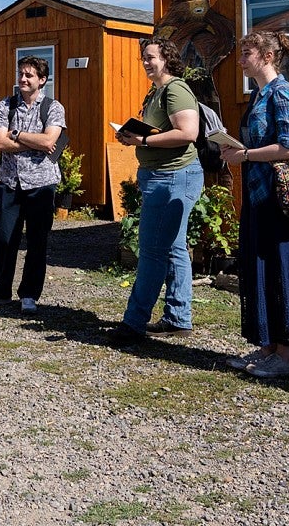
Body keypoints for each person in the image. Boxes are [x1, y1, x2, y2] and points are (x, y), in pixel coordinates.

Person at [221, 30, 289, 378]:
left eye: (247, 52)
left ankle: (287, 357)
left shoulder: (284, 93)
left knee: (279, 269)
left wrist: (244, 155)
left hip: (280, 199)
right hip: (258, 195)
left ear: (267, 56)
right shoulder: (258, 94)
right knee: (259, 268)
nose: (241, 58)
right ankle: (267, 348)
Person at [107, 37, 204, 346]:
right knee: (174, 249)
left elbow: (188, 132)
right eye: (144, 58)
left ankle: (133, 323)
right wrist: (133, 136)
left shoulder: (175, 89)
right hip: (160, 177)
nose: (146, 62)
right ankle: (178, 318)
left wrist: (144, 142)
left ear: (167, 58)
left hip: (173, 178)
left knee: (150, 251)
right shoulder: (157, 92)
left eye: (151, 57)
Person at [0, 55, 66, 314]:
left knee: (37, 241)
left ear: (42, 80)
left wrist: (16, 134)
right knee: (4, 238)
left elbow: (50, 142)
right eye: (21, 74)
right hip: (10, 183)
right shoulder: (6, 105)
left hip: (42, 184)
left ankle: (29, 294)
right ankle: (1, 290)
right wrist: (33, 141)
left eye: (29, 75)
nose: (23, 79)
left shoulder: (53, 107)